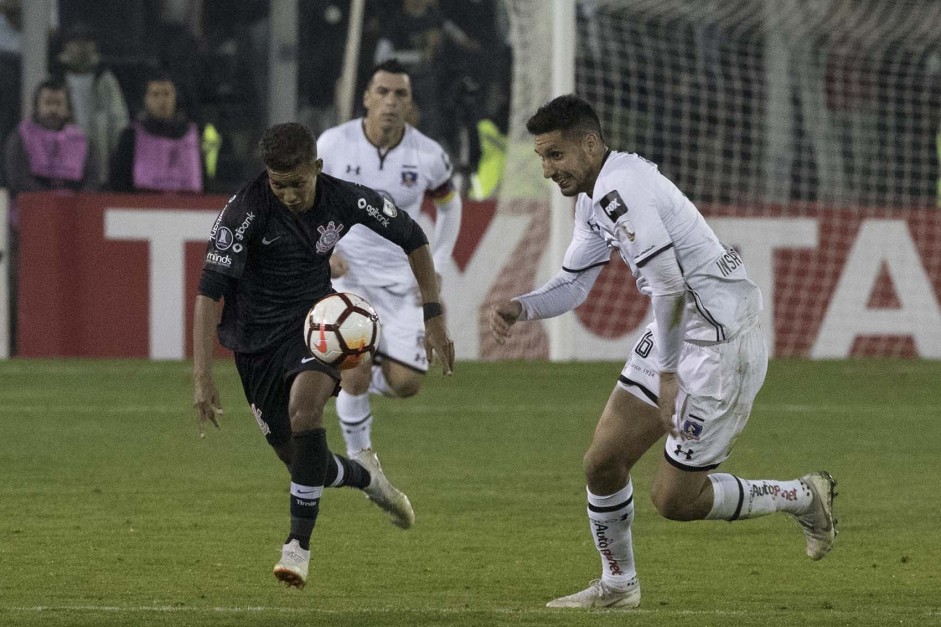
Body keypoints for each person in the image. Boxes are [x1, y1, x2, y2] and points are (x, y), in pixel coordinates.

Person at [489, 95, 837, 610]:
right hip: (677, 332)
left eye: (555, 156)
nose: (547, 170)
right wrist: (523, 307)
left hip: (721, 346)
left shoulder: (621, 190)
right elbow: (573, 284)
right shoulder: (593, 198)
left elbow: (670, 287)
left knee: (675, 500)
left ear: (590, 143)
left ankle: (803, 496)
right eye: (541, 157)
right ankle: (617, 585)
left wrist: (669, 375)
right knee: (603, 462)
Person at [192, 122, 454, 590]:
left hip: (317, 327)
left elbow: (413, 234)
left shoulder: (344, 197)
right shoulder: (244, 213)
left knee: (305, 411)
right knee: (300, 461)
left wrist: (433, 315)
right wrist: (202, 378)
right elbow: (208, 296)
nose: (289, 195)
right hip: (254, 346)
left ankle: (297, 547)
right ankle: (367, 479)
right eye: (279, 184)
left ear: (317, 167)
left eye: (298, 183)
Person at [316, 59, 462, 460]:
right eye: (382, 92)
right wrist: (326, 253)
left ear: (410, 104)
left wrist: (437, 267)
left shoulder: (428, 155)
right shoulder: (332, 145)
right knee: (356, 370)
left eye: (401, 94)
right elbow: (306, 202)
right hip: (349, 278)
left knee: (407, 384)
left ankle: (353, 380)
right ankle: (362, 461)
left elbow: (451, 208)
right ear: (366, 98)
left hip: (401, 281)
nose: (391, 102)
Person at [109, 72, 216, 193]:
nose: (162, 100)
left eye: (167, 94)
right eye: (155, 95)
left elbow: (204, 182)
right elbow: (119, 182)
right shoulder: (131, 136)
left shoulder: (193, 134)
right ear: (145, 99)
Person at [52, 22, 129, 189]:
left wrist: (117, 156)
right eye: (76, 42)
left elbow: (119, 120)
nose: (82, 48)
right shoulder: (55, 78)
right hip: (62, 164)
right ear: (66, 46)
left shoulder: (105, 80)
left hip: (100, 160)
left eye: (87, 42)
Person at [3, 78, 98, 195]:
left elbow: (92, 180)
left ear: (68, 109)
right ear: (37, 108)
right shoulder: (20, 137)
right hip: (32, 205)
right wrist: (51, 199)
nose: (53, 109)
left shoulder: (82, 141)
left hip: (74, 207)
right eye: (47, 103)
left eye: (58, 103)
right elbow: (18, 179)